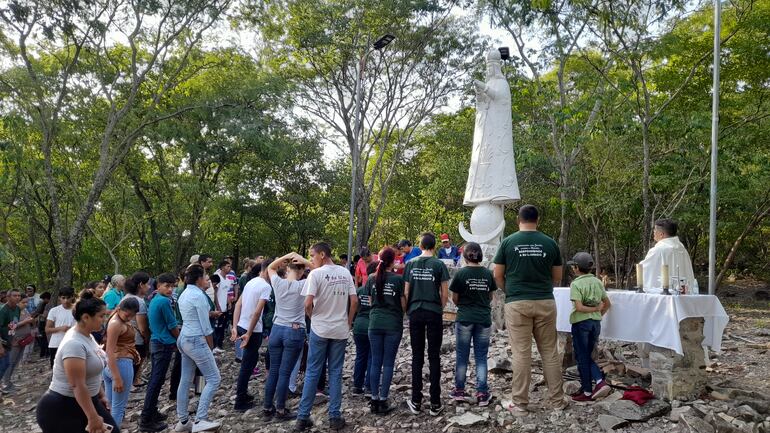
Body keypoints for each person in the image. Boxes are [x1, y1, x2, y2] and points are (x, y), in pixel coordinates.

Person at [493, 204, 565, 416]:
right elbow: (558, 276)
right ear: (538, 220)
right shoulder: (549, 243)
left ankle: (520, 403)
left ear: (518, 220)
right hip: (544, 301)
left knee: (521, 353)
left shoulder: (508, 242)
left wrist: (510, 291)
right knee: (549, 352)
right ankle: (557, 400)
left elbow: (497, 275)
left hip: (517, 303)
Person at [295, 243, 358, 432]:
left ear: (322, 255)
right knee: (336, 372)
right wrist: (348, 322)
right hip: (339, 329)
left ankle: (302, 417)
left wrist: (313, 318)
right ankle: (334, 416)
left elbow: (307, 303)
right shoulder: (345, 273)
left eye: (313, 255)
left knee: (313, 371)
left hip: (320, 329)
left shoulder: (316, 274)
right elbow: (354, 300)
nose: (311, 259)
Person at [36, 290, 115, 433]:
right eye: (101, 316)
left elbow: (92, 372)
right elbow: (77, 384)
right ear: (85, 317)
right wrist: (92, 417)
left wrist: (101, 395)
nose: (105, 319)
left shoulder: (88, 337)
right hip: (61, 408)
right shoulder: (74, 344)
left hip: (87, 401)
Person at [403, 233, 449, 416]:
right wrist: (440, 307)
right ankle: (435, 403)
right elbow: (444, 293)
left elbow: (406, 291)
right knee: (434, 356)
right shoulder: (439, 264)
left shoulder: (410, 264)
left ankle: (416, 400)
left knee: (417, 356)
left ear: (420, 245)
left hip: (415, 311)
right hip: (433, 312)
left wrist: (408, 310)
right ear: (434, 246)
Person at [263, 253, 310, 420]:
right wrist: (304, 260)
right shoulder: (304, 285)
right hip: (294, 330)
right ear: (302, 271)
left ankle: (267, 407)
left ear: (287, 268)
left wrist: (286, 256)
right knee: (285, 373)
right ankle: (280, 409)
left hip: (277, 329)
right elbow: (319, 270)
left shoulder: (278, 283)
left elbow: (270, 267)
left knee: (273, 371)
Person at [175, 264, 222, 432]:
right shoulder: (199, 296)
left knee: (185, 379)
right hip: (195, 340)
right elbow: (206, 328)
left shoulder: (184, 293)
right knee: (214, 378)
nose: (208, 279)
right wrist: (211, 348)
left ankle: (183, 420)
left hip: (183, 338)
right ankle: (200, 419)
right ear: (199, 279)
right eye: (205, 276)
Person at [449, 242, 495, 406]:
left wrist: (464, 305)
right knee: (481, 356)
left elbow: (454, 298)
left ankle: (459, 391)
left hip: (465, 318)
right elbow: (490, 296)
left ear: (465, 255)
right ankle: (482, 393)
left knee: (462, 356)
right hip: (483, 318)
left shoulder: (461, 274)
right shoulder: (488, 274)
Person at [567, 252, 612, 402]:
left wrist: (592, 310)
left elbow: (578, 307)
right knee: (588, 354)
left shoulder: (576, 284)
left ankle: (593, 386)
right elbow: (607, 303)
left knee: (582, 357)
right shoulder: (598, 282)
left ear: (576, 268)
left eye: (573, 266)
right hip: (595, 323)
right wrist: (597, 314)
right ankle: (590, 385)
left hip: (581, 323)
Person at [366, 247, 406, 414]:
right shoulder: (398, 280)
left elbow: (369, 302)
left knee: (375, 361)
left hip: (374, 323)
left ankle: (374, 399)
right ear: (393, 261)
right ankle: (383, 400)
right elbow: (403, 304)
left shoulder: (370, 279)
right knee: (388, 363)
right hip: (393, 325)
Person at [140, 272, 179, 432]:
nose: (170, 289)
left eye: (172, 286)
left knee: (156, 381)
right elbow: (172, 325)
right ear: (158, 286)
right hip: (163, 344)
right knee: (156, 382)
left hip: (157, 342)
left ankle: (151, 412)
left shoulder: (155, 299)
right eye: (167, 286)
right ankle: (146, 420)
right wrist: (180, 340)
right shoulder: (163, 301)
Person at [231, 260, 271, 412]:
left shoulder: (251, 282)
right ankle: (240, 400)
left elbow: (238, 305)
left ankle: (243, 394)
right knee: (247, 365)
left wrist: (235, 327)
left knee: (249, 363)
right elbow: (256, 312)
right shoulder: (265, 286)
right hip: (252, 330)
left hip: (243, 325)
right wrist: (249, 332)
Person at [102, 297, 140, 427]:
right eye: (127, 315)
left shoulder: (116, 318)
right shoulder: (116, 324)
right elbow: (109, 351)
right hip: (120, 365)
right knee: (118, 409)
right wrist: (117, 377)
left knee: (111, 407)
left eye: (132, 315)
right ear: (120, 309)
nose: (129, 318)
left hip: (113, 366)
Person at [639, 218, 697, 294]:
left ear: (661, 234)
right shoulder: (682, 249)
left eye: (655, 230)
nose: (653, 232)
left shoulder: (658, 250)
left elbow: (642, 269)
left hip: (663, 296)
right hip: (684, 294)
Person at [351, 261, 378, 396]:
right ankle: (369, 386)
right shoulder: (378, 290)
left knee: (360, 356)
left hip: (359, 326)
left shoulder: (359, 291)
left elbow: (353, 308)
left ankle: (357, 385)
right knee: (372, 356)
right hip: (373, 326)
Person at [2, 295, 34, 392]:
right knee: (10, 362)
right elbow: (11, 326)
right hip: (14, 341)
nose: (26, 304)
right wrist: (25, 321)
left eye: (26, 302)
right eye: (23, 302)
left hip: (23, 340)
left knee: (16, 362)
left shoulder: (24, 311)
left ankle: (9, 381)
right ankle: (5, 384)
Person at [123, 272, 151, 388]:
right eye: (147, 284)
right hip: (136, 338)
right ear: (141, 285)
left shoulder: (125, 298)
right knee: (138, 359)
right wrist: (146, 338)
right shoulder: (139, 302)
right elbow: (142, 327)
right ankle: (134, 382)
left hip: (125, 336)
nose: (149, 287)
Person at [46, 287, 77, 368]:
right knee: (56, 369)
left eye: (68, 298)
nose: (66, 300)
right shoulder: (54, 311)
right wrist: (60, 328)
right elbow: (47, 329)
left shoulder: (77, 310)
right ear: (59, 298)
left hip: (73, 344)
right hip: (56, 344)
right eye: (63, 298)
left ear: (72, 297)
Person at [0, 289, 23, 391]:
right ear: (8, 297)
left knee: (7, 364)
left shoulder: (17, 309)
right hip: (2, 342)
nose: (17, 297)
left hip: (8, 340)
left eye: (19, 295)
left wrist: (13, 338)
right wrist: (0, 347)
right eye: (14, 295)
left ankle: (5, 386)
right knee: (4, 364)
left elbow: (13, 324)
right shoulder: (3, 310)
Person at [213, 260, 234, 353]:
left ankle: (219, 345)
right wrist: (218, 306)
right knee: (217, 326)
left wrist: (229, 302)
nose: (229, 268)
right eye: (227, 266)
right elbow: (215, 293)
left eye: (230, 266)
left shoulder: (228, 280)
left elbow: (226, 293)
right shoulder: (217, 278)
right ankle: (214, 345)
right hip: (218, 307)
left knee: (222, 326)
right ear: (221, 267)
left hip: (224, 306)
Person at [35, 292, 52, 358]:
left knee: (43, 339)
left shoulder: (47, 305)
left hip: (43, 323)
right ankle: (45, 353)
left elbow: (44, 315)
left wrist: (38, 314)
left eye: (43, 299)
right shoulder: (44, 304)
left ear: (46, 298)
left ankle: (45, 353)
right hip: (44, 323)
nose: (42, 300)